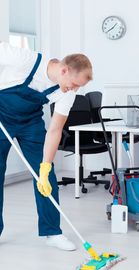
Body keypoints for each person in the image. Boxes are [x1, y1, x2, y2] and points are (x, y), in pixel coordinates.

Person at [0, 42, 93, 250]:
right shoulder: (24, 59)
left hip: (30, 122)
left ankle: (52, 232)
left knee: (46, 175)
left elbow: (55, 129)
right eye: (74, 84)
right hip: (1, 116)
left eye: (78, 87)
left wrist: (45, 165)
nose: (74, 90)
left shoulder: (67, 92)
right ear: (64, 70)